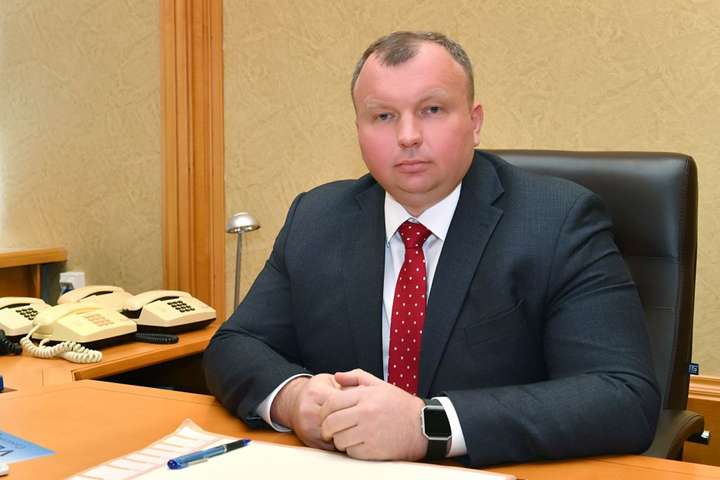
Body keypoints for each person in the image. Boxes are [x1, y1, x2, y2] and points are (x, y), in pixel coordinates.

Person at [204, 31, 660, 467]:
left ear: (475, 122)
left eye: (432, 110)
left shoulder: (558, 222)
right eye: (383, 116)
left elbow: (622, 396)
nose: (408, 136)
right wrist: (293, 398)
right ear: (358, 130)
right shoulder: (316, 218)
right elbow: (236, 345)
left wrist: (428, 425)